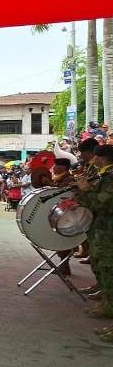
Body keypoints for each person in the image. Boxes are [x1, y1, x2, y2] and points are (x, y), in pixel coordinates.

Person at [76, 144, 113, 338]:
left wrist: (85, 190)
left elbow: (100, 203)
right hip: (102, 232)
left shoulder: (110, 177)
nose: (92, 160)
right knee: (103, 269)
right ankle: (107, 306)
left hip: (108, 233)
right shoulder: (104, 176)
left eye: (95, 156)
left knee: (109, 271)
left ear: (101, 157)